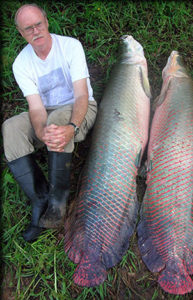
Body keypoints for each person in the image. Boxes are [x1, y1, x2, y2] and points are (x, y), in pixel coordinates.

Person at [2, 3, 97, 242]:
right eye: (28, 28)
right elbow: (35, 107)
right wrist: (40, 131)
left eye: (38, 24)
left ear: (46, 22)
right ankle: (40, 197)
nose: (35, 31)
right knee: (10, 128)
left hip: (80, 109)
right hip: (47, 113)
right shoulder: (21, 64)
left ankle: (58, 204)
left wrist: (72, 126)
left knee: (56, 120)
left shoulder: (70, 46)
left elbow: (82, 95)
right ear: (21, 33)